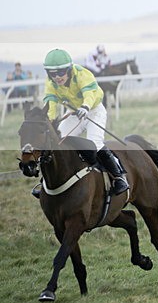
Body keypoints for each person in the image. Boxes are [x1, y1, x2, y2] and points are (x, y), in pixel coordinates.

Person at [31, 48, 128, 198]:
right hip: (75, 113)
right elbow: (50, 103)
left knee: (94, 142)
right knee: (56, 141)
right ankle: (45, 182)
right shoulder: (50, 83)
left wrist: (85, 106)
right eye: (53, 73)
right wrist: (49, 121)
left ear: (69, 69)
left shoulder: (82, 73)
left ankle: (119, 177)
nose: (57, 77)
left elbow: (89, 94)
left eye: (61, 72)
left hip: (94, 111)